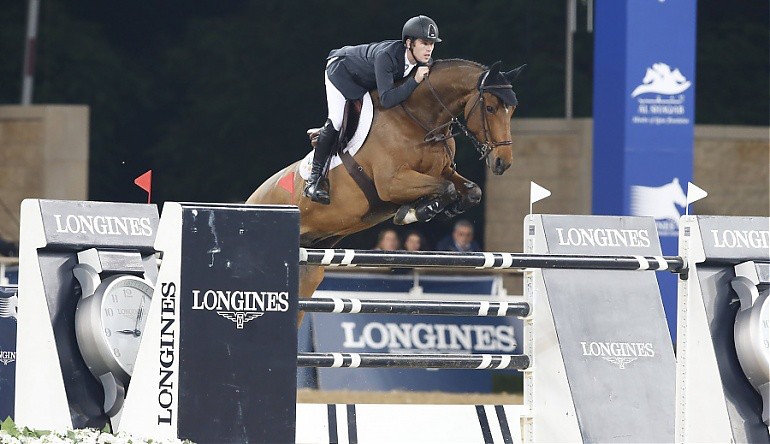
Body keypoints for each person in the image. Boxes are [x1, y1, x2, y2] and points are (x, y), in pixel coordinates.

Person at [303, 15, 442, 205]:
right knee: (336, 119)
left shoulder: (422, 60)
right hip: (341, 72)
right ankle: (314, 179)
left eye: (432, 44)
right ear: (409, 43)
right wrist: (415, 80)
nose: (429, 49)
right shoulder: (387, 57)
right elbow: (387, 100)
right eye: (424, 43)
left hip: (366, 81)